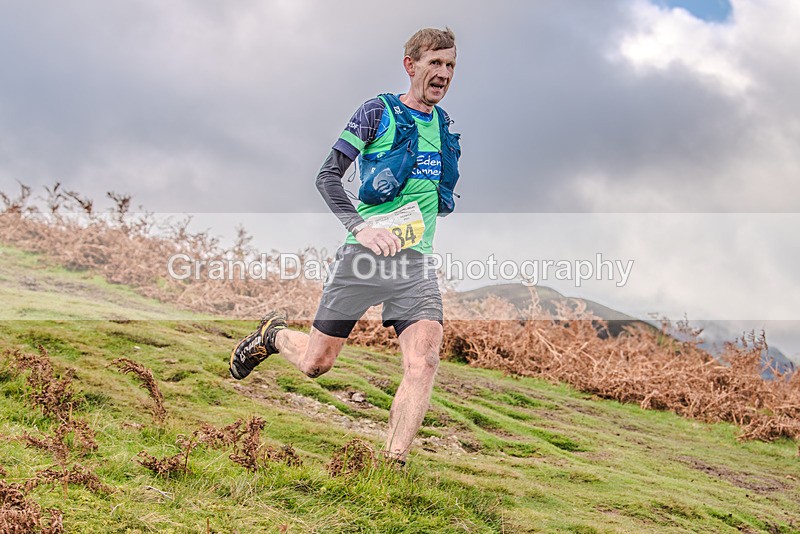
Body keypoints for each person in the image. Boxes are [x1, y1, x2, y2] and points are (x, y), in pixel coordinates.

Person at [229, 27, 461, 464]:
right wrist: (361, 228)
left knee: (425, 360)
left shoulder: (444, 127)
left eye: (450, 65)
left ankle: (392, 466)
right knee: (317, 364)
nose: (444, 73)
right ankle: (272, 335)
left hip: (414, 266)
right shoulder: (378, 112)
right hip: (364, 258)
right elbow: (327, 176)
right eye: (435, 63)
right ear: (411, 65)